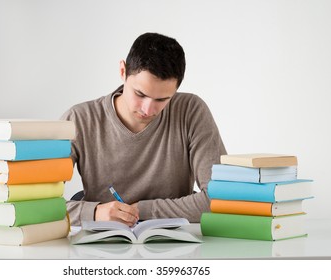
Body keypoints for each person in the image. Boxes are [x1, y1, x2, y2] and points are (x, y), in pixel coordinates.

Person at [61, 32, 226, 226]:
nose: (148, 110)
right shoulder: (80, 119)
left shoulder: (190, 110)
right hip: (102, 246)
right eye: (140, 93)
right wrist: (94, 213)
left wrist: (141, 211)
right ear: (123, 71)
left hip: (175, 247)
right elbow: (32, 205)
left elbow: (219, 199)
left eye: (162, 100)